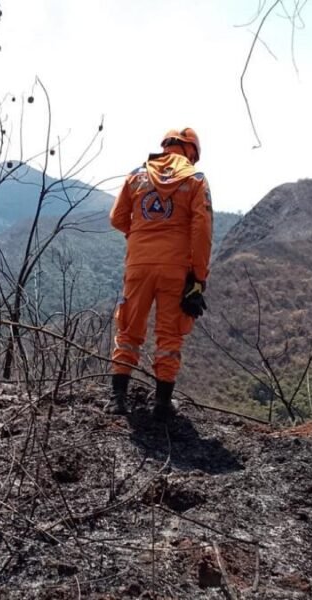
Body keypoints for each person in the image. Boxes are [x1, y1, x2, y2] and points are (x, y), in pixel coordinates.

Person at [107, 128, 213, 419]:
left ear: (166, 146)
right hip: (175, 268)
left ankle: (118, 400)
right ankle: (163, 404)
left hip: (138, 265)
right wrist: (199, 277)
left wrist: (140, 234)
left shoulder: (137, 175)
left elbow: (116, 217)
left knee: (129, 328)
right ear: (191, 151)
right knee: (169, 334)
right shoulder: (195, 180)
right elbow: (202, 231)